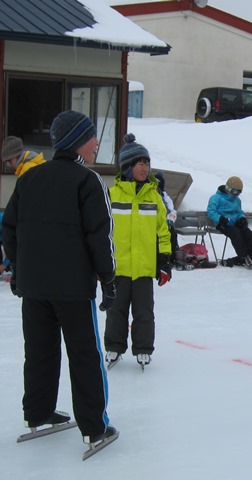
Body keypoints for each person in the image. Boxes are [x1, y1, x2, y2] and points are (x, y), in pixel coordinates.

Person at [2, 110, 118, 448]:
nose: (96, 143)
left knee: (39, 351)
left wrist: (18, 269)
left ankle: (38, 413)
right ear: (78, 141)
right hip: (73, 289)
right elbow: (100, 236)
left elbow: (9, 229)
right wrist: (108, 279)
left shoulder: (29, 179)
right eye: (92, 137)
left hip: (34, 287)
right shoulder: (88, 180)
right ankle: (95, 427)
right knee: (85, 355)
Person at [104, 134, 172, 368]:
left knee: (144, 312)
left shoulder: (154, 197)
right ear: (127, 166)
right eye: (140, 163)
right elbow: (102, 231)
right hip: (119, 266)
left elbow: (163, 231)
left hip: (144, 267)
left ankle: (143, 348)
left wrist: (164, 260)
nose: (145, 168)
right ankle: (114, 347)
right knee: (116, 310)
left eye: (147, 163)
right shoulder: (112, 195)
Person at [207, 176, 252, 267]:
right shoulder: (215, 198)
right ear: (228, 189)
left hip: (235, 223)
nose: (236, 195)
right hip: (223, 223)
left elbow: (239, 212)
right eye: (234, 192)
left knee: (248, 233)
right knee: (236, 234)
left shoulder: (237, 201)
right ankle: (244, 256)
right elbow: (211, 211)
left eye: (238, 193)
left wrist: (242, 218)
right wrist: (220, 219)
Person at [154, 170, 179, 262]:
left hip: (164, 222)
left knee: (172, 233)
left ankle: (171, 257)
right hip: (152, 223)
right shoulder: (149, 195)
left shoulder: (165, 197)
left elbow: (172, 211)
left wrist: (170, 220)